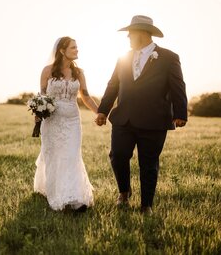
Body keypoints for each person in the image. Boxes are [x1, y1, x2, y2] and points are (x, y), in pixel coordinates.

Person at [96, 15, 188, 215]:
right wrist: (103, 110)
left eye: (131, 32)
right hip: (123, 118)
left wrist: (180, 113)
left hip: (154, 120)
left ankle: (146, 205)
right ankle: (124, 192)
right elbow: (113, 85)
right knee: (118, 155)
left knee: (148, 163)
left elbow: (177, 86)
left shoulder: (169, 57)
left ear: (143, 33)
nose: (128, 36)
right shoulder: (123, 57)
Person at [34, 36, 98, 212]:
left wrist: (99, 112)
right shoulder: (47, 71)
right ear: (62, 50)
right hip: (52, 121)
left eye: (77, 47)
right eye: (73, 47)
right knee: (54, 156)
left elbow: (85, 95)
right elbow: (42, 95)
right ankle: (55, 193)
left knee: (71, 156)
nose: (77, 50)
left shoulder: (79, 73)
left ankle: (76, 198)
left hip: (72, 121)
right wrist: (38, 112)